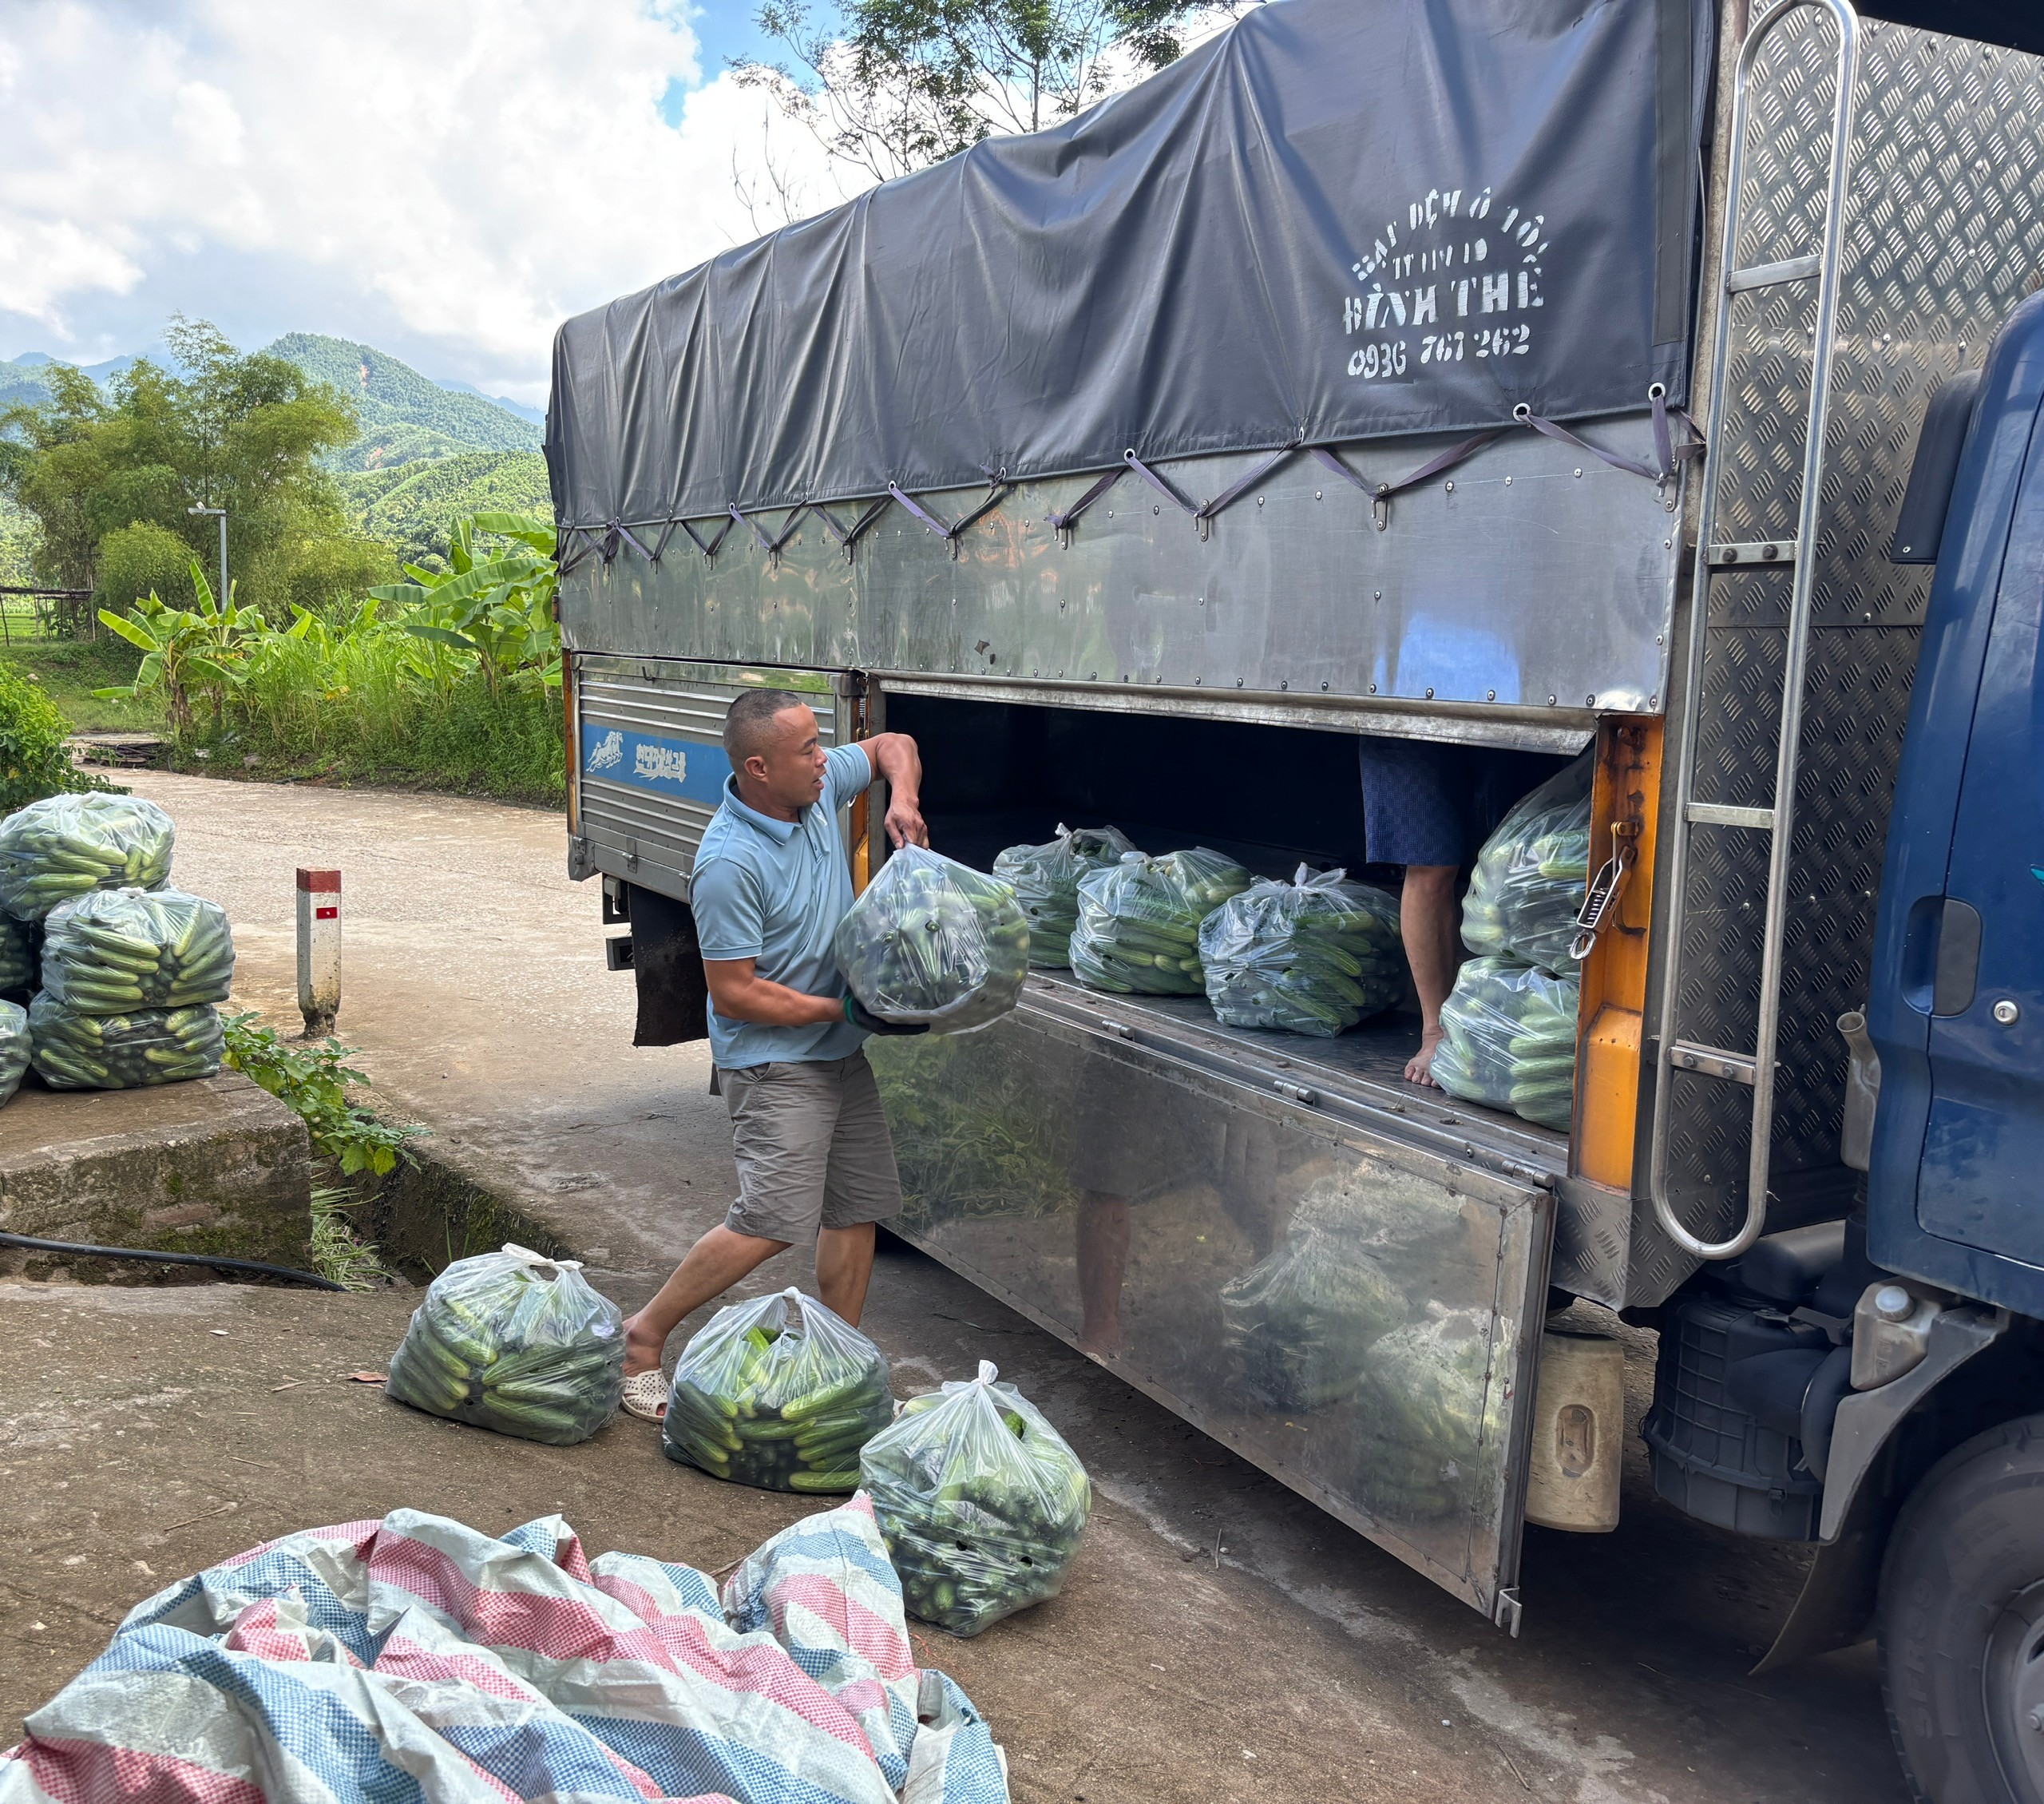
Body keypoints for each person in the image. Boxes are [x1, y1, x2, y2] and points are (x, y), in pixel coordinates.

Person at [617, 689, 929, 1422]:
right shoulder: (729, 863)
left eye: (821, 746)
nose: (825, 760)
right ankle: (641, 1336)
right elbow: (734, 993)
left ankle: (834, 1368)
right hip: (773, 1061)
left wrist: (902, 799)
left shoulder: (815, 793)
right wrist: (847, 1009)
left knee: (855, 1211)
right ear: (758, 768)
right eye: (807, 751)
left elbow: (894, 745)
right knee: (771, 1218)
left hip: (838, 1050)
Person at [1356, 733, 1564, 1086]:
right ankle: (1435, 1030)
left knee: (1522, 862)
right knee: (1428, 865)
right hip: (1415, 702)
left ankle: (1519, 1020)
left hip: (1518, 703)